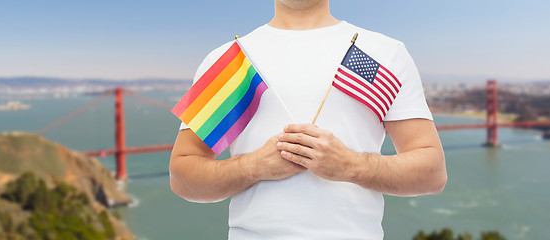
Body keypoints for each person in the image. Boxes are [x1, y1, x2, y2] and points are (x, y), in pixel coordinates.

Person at [169, 0, 447, 239]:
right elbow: (182, 176)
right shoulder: (230, 59)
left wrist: (350, 165)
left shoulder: (384, 52)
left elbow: (432, 172)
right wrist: (253, 166)